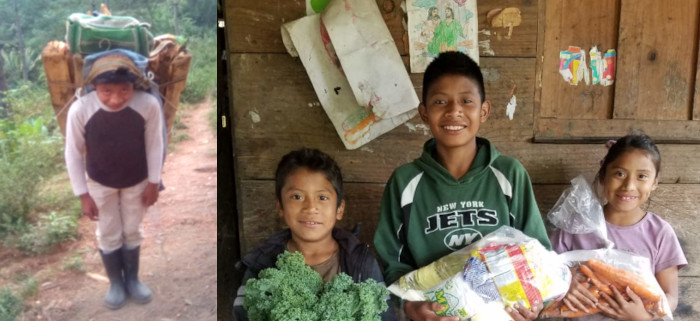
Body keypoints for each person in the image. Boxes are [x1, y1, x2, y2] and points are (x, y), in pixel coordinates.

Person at [373, 51, 551, 321]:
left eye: (466, 101)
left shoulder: (509, 174)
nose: (454, 111)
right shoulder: (405, 182)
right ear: (423, 112)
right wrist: (410, 306)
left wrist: (536, 304)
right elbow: (391, 262)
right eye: (440, 101)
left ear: (484, 111)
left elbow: (538, 253)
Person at [234, 148, 396, 321]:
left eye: (322, 198)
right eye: (297, 196)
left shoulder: (361, 263)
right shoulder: (261, 265)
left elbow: (385, 316)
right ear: (280, 206)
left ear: (339, 209)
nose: (310, 207)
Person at [550, 134, 687, 321]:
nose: (629, 185)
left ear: (654, 182)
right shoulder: (576, 226)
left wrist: (642, 317)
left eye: (642, 176)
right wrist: (563, 282)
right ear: (603, 176)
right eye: (619, 174)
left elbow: (670, 296)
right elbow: (545, 270)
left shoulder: (660, 233)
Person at [65, 52, 163, 309]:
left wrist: (154, 182)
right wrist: (83, 194)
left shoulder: (148, 105)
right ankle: (115, 283)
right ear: (93, 86)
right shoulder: (80, 109)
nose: (116, 98)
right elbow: (72, 153)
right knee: (108, 230)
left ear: (135, 86)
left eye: (124, 90)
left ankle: (132, 279)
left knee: (132, 228)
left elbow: (155, 145)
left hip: (137, 181)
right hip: (99, 182)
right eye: (106, 90)